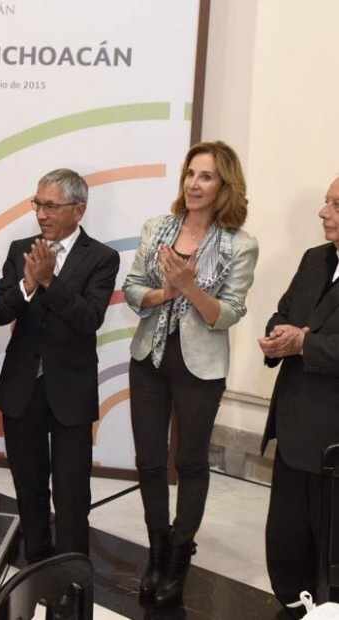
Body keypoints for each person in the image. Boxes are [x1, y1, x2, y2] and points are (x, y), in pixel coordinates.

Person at [122, 141, 258, 606]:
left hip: (199, 366)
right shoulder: (157, 227)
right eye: (190, 174)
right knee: (149, 460)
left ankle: (179, 557)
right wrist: (164, 293)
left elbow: (228, 314)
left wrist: (188, 286)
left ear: (225, 185)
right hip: (149, 359)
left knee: (191, 461)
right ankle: (157, 551)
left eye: (207, 176)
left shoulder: (240, 244)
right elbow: (133, 289)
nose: (194, 184)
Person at [0, 168, 120, 564]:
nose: (41, 214)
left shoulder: (101, 257)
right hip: (22, 386)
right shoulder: (20, 249)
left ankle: (71, 570)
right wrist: (28, 285)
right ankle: (36, 560)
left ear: (78, 210)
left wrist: (50, 281)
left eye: (51, 206)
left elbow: (89, 318)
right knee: (28, 485)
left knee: (72, 489)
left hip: (70, 389)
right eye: (37, 204)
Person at [259, 176, 339, 618]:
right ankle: (294, 603)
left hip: (333, 438)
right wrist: (277, 337)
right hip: (294, 426)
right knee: (287, 538)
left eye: (336, 205)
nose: (324, 212)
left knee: (330, 545)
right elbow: (283, 312)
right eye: (327, 202)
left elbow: (310, 338)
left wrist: (305, 343)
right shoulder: (314, 259)